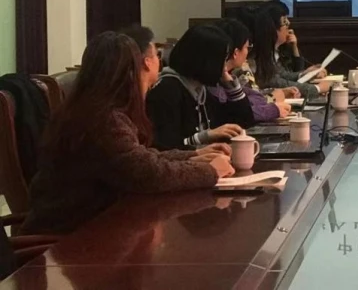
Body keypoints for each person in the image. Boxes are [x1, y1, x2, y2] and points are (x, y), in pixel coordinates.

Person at [22, 32, 233, 235]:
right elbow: (148, 175)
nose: (160, 62)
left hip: (89, 223)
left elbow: (140, 158)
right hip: (74, 234)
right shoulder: (104, 120)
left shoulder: (95, 109)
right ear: (137, 68)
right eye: (157, 56)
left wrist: (193, 156)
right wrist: (210, 171)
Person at [146, 25, 255, 150]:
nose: (225, 67)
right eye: (222, 59)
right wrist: (205, 137)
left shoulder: (200, 89)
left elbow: (245, 122)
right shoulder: (167, 91)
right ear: (207, 61)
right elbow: (165, 146)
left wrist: (231, 86)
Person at [213, 18, 293, 123]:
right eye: (247, 47)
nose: (247, 52)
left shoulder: (228, 73)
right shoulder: (232, 73)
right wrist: (272, 104)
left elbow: (256, 97)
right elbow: (240, 113)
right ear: (236, 52)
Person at [249, 1, 331, 98]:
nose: (289, 25)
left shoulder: (270, 52)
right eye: (284, 22)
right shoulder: (257, 56)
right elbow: (276, 82)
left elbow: (283, 75)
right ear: (271, 29)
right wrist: (317, 89)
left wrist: (305, 74)